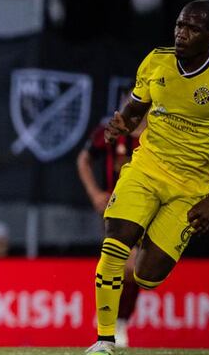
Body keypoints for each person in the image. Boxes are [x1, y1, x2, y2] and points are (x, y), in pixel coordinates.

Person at [85, 0, 209, 355]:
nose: (182, 33)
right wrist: (121, 123)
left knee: (147, 276)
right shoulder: (157, 60)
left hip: (191, 187)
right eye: (180, 25)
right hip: (145, 168)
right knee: (114, 243)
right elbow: (136, 109)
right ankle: (104, 341)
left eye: (193, 29)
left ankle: (155, 232)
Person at [76, 101, 144, 348]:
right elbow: (83, 159)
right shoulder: (111, 128)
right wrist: (95, 193)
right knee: (123, 263)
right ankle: (114, 323)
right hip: (114, 208)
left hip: (148, 208)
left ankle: (116, 319)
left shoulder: (158, 133)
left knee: (137, 271)